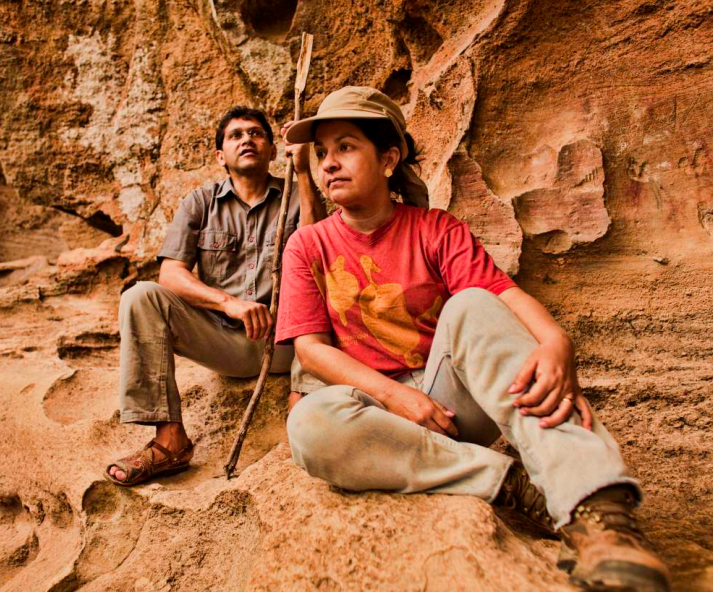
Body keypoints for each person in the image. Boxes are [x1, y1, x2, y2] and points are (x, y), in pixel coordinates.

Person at [275, 87, 670, 592]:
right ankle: (509, 482)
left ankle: (599, 514)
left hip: (453, 406)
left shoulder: (435, 228)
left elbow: (502, 297)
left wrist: (557, 343)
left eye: (346, 146)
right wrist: (396, 397)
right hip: (382, 417)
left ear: (389, 159)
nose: (328, 163)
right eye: (321, 152)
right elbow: (310, 349)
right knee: (309, 424)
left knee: (471, 303)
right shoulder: (307, 244)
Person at [105, 106, 326, 486]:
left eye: (256, 133)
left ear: (274, 150)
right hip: (223, 340)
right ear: (220, 156)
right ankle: (170, 440)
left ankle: (303, 396)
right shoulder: (200, 202)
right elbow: (171, 274)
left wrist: (304, 172)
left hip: (291, 344)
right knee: (141, 296)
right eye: (236, 135)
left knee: (332, 281)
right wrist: (229, 303)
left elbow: (319, 254)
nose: (247, 139)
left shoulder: (297, 194)